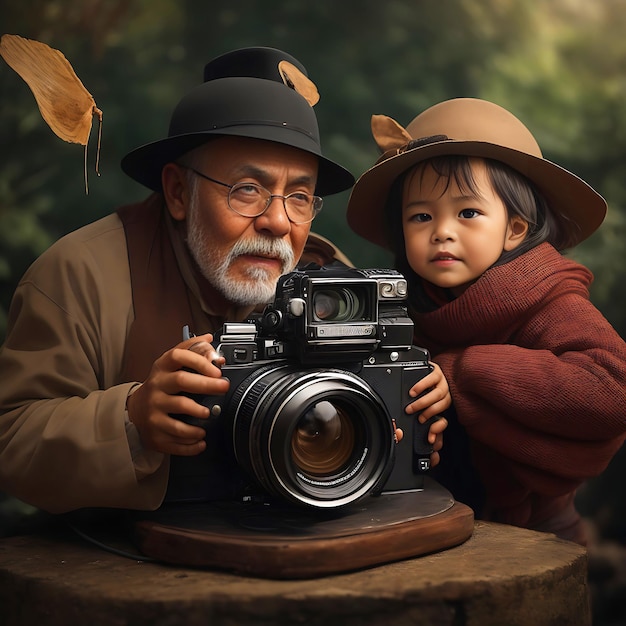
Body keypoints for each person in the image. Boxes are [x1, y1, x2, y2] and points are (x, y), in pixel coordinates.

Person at [0, 47, 450, 516]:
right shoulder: (80, 275)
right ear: (178, 192)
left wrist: (413, 400)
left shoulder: (329, 276)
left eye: (299, 196)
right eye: (248, 190)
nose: (278, 221)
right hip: (124, 559)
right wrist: (132, 419)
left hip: (303, 538)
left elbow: (355, 411)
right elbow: (11, 439)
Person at [346, 97, 626, 544]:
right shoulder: (403, 305)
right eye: (421, 216)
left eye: (468, 213)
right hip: (431, 521)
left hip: (534, 535)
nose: (442, 230)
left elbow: (613, 389)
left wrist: (459, 372)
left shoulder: (545, 297)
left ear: (514, 228)